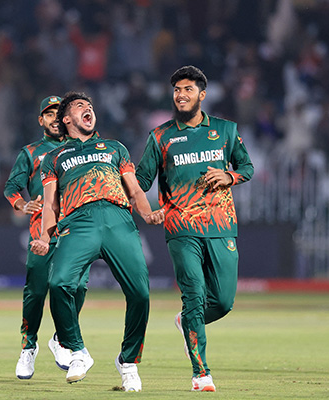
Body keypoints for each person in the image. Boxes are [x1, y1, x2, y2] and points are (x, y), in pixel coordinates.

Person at [30, 92, 164, 391]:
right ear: (66, 119)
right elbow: (51, 205)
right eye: (79, 107)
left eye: (89, 106)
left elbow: (135, 190)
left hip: (118, 220)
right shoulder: (54, 158)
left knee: (141, 293)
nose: (88, 109)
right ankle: (78, 352)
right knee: (59, 283)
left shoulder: (114, 148)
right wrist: (43, 236)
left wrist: (148, 214)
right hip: (79, 222)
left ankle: (128, 362)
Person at [135, 65, 254, 392]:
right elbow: (141, 181)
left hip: (221, 227)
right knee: (194, 296)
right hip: (181, 227)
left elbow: (247, 167)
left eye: (188, 89)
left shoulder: (226, 131)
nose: (181, 95)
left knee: (223, 302)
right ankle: (201, 374)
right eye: (176, 89)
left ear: (202, 94)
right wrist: (121, 185)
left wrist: (229, 176)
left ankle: (186, 321)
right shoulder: (160, 136)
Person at [4, 96, 89, 379]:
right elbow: (13, 187)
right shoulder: (30, 152)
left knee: (78, 289)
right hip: (43, 233)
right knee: (37, 292)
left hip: (77, 230)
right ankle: (28, 347)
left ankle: (60, 339)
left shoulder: (80, 147)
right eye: (48, 114)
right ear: (41, 120)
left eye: (59, 113)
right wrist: (21, 204)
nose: (54, 118)